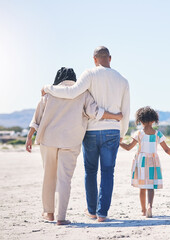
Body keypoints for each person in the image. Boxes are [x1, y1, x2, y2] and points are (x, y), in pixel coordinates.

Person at [42, 46, 130, 222]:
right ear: (110, 58)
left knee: (90, 171)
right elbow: (125, 111)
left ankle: (91, 211)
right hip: (112, 130)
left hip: (91, 130)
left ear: (94, 59)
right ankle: (102, 214)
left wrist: (48, 88)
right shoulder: (123, 80)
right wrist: (122, 132)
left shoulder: (89, 74)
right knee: (107, 172)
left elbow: (72, 92)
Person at [26, 67, 122, 225]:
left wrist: (29, 137)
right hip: (71, 142)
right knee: (65, 180)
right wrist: (116, 116)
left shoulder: (49, 93)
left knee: (49, 176)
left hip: (48, 140)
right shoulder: (82, 93)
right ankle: (61, 218)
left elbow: (36, 119)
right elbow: (95, 113)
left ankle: (49, 213)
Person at [119, 107, 170, 218]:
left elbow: (128, 147)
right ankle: (149, 206)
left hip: (141, 161)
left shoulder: (138, 134)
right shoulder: (158, 134)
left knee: (142, 187)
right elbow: (167, 149)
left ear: (140, 121)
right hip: (153, 161)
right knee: (150, 186)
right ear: (153, 121)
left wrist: (118, 142)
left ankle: (143, 210)